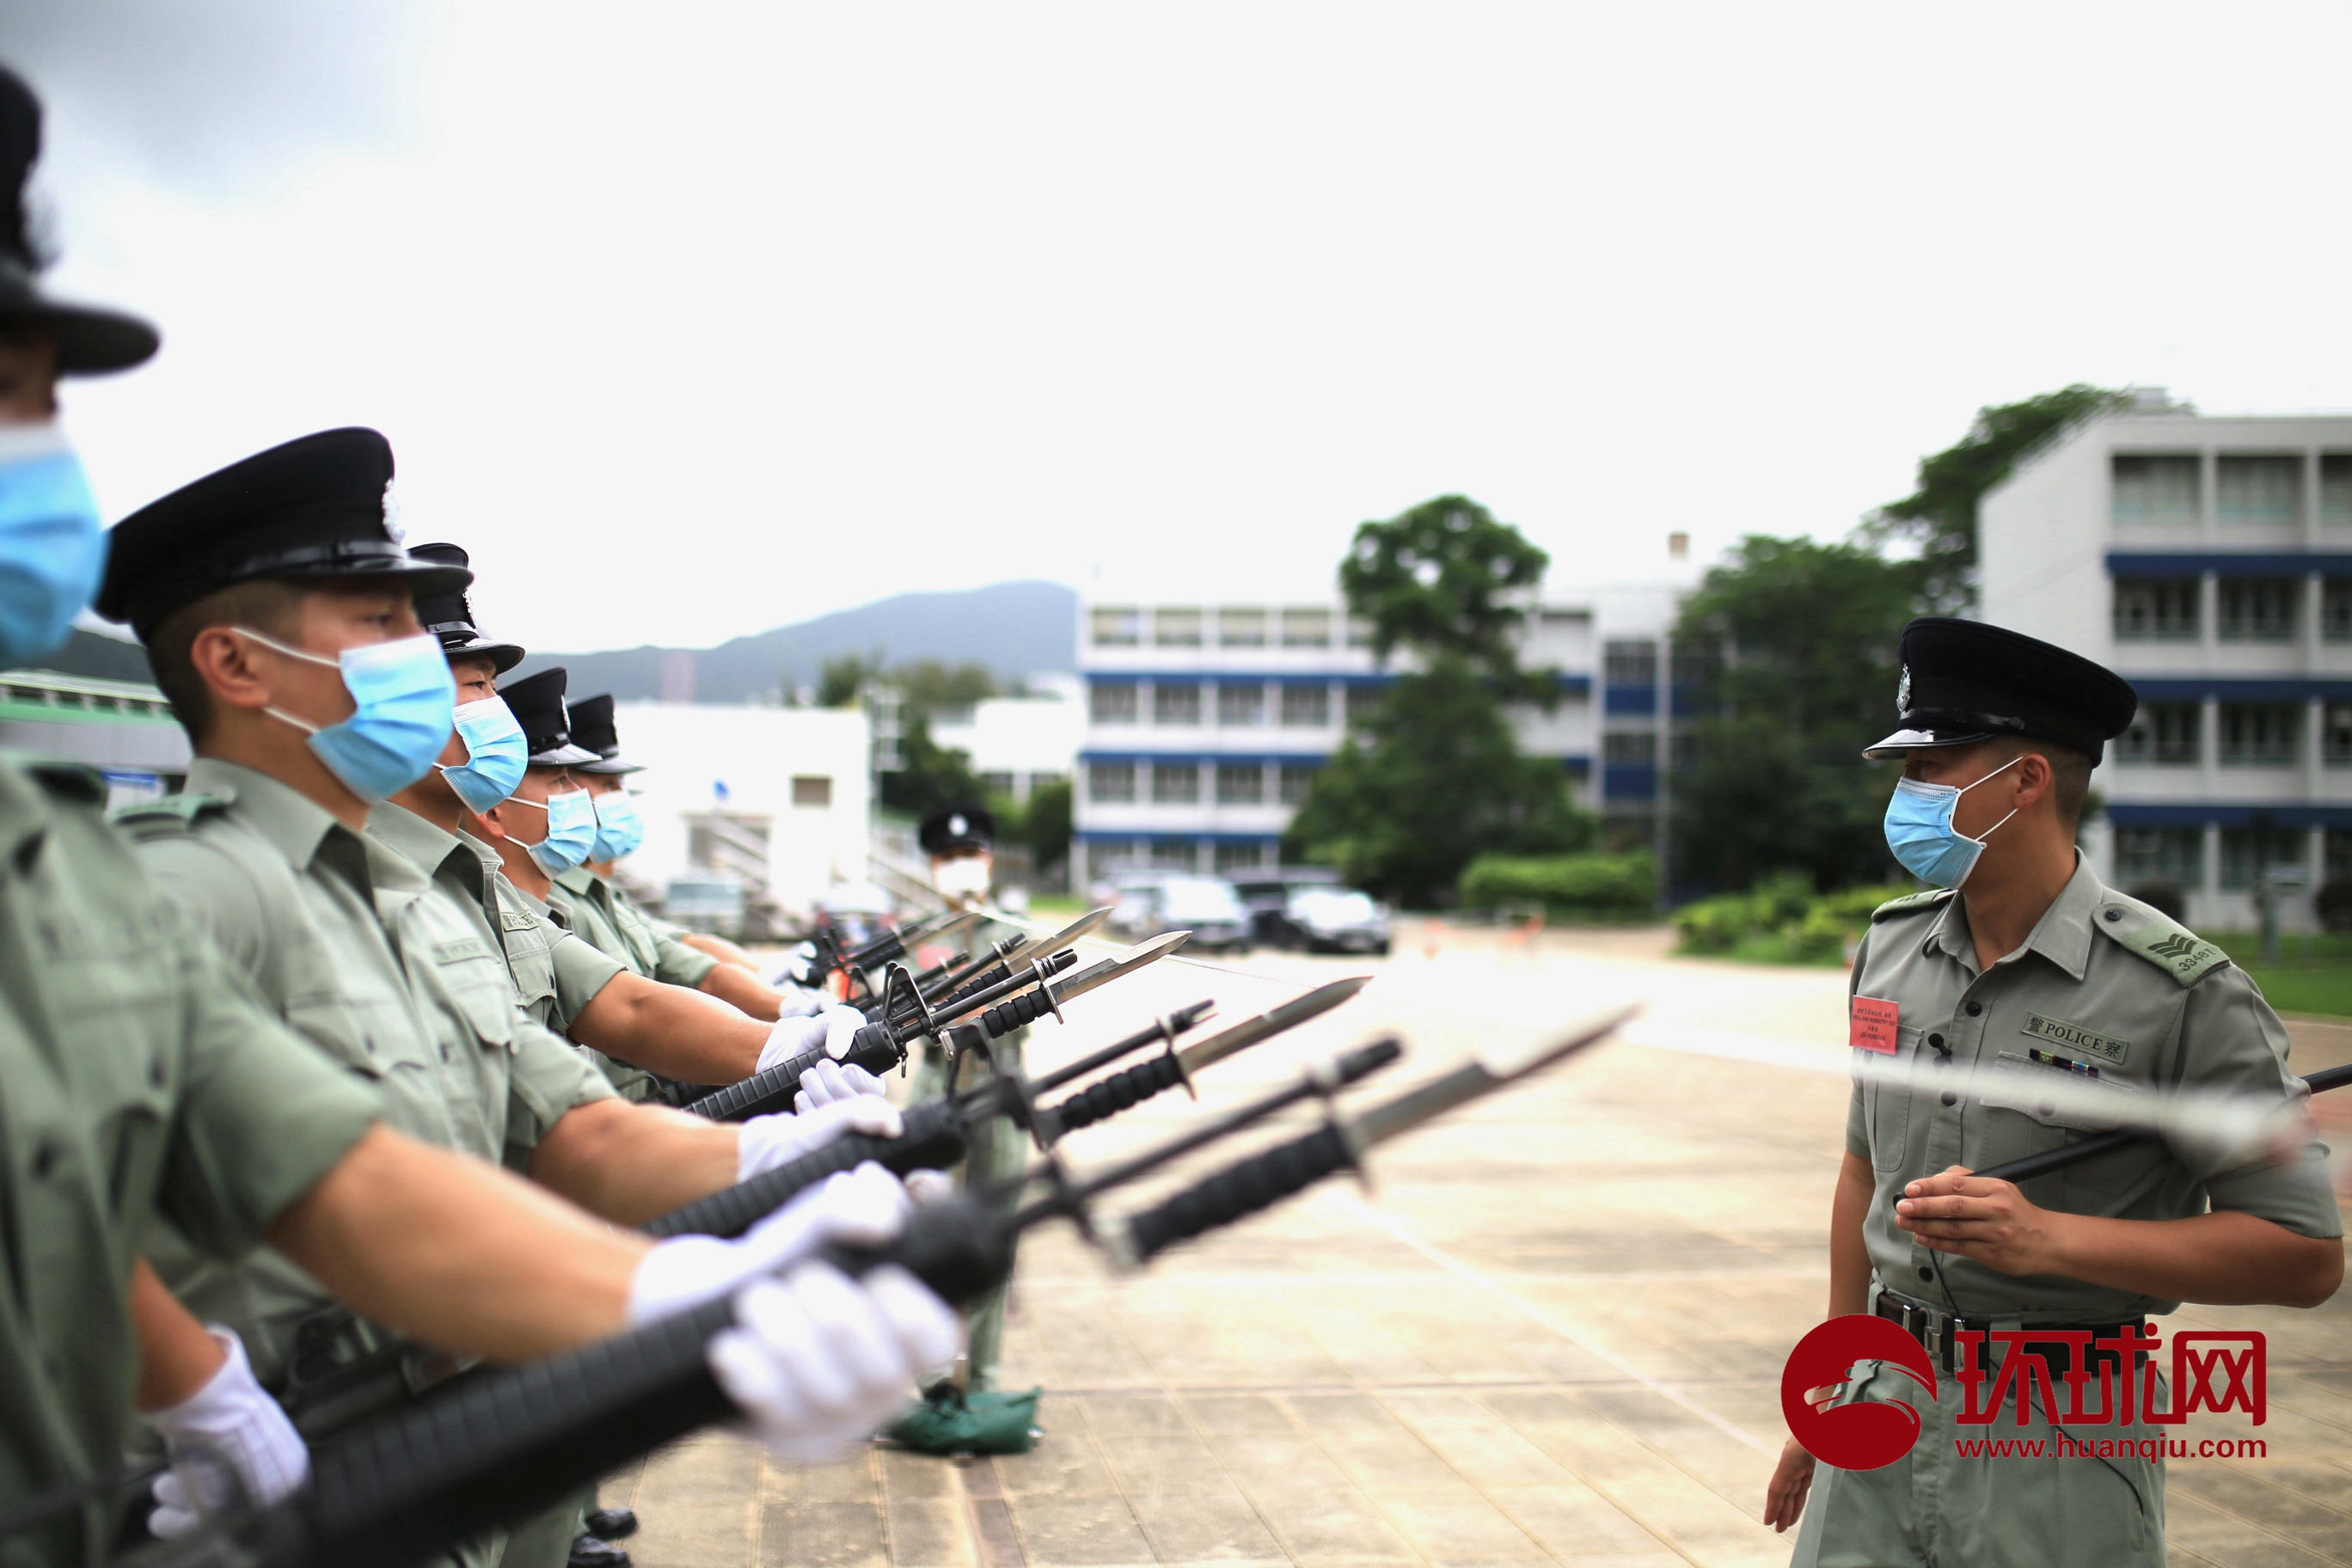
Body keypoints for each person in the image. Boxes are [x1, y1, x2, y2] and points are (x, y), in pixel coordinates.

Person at [0, 66, 954, 1566]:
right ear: (237, 662)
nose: (432, 680)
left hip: (414, 1431)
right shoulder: (194, 889)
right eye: (379, 623)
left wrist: (713, 1269)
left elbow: (418, 1164)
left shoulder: (390, 885)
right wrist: (189, 1384)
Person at [1764, 617, 2345, 1566]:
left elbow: (2304, 1255)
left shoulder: (2181, 993)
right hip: (1884, 1403)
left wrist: (2052, 1239)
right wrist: (1830, 1389)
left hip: (2058, 1430)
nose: (1905, 794)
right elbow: (1862, 1172)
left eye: (1935, 766)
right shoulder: (1891, 950)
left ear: (2026, 782)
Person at [566, 690, 826, 1018]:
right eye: (609, 787)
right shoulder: (560, 898)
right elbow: (675, 989)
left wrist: (764, 975)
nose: (622, 800)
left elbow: (688, 948)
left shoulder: (600, 895)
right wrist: (789, 1011)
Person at [901, 805, 1032, 1397]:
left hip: (1001, 1086)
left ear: (988, 860)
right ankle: (930, 1383)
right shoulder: (918, 935)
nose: (961, 868)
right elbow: (901, 1014)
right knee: (928, 1233)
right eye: (949, 859)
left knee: (994, 1232)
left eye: (970, 856)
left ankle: (981, 1381)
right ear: (933, 866)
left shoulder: (1016, 931)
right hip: (936, 1085)